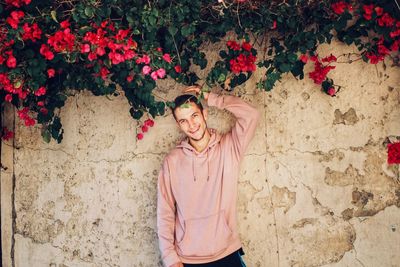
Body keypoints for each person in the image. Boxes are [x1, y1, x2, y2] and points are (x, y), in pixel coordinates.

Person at [157, 85, 260, 267]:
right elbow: (165, 213)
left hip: (227, 252)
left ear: (204, 114)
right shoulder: (172, 162)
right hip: (188, 258)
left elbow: (251, 115)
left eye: (194, 116)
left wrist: (209, 96)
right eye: (183, 121)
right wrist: (170, 259)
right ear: (178, 125)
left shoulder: (229, 148)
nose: (191, 125)